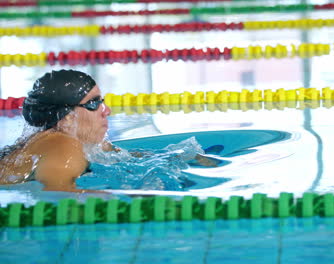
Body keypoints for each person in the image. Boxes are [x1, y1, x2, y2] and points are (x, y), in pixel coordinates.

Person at [0, 70, 219, 192]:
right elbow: (58, 197)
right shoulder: (64, 145)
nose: (107, 111)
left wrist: (185, 157)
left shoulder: (80, 142)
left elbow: (127, 157)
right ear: (67, 119)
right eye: (94, 104)